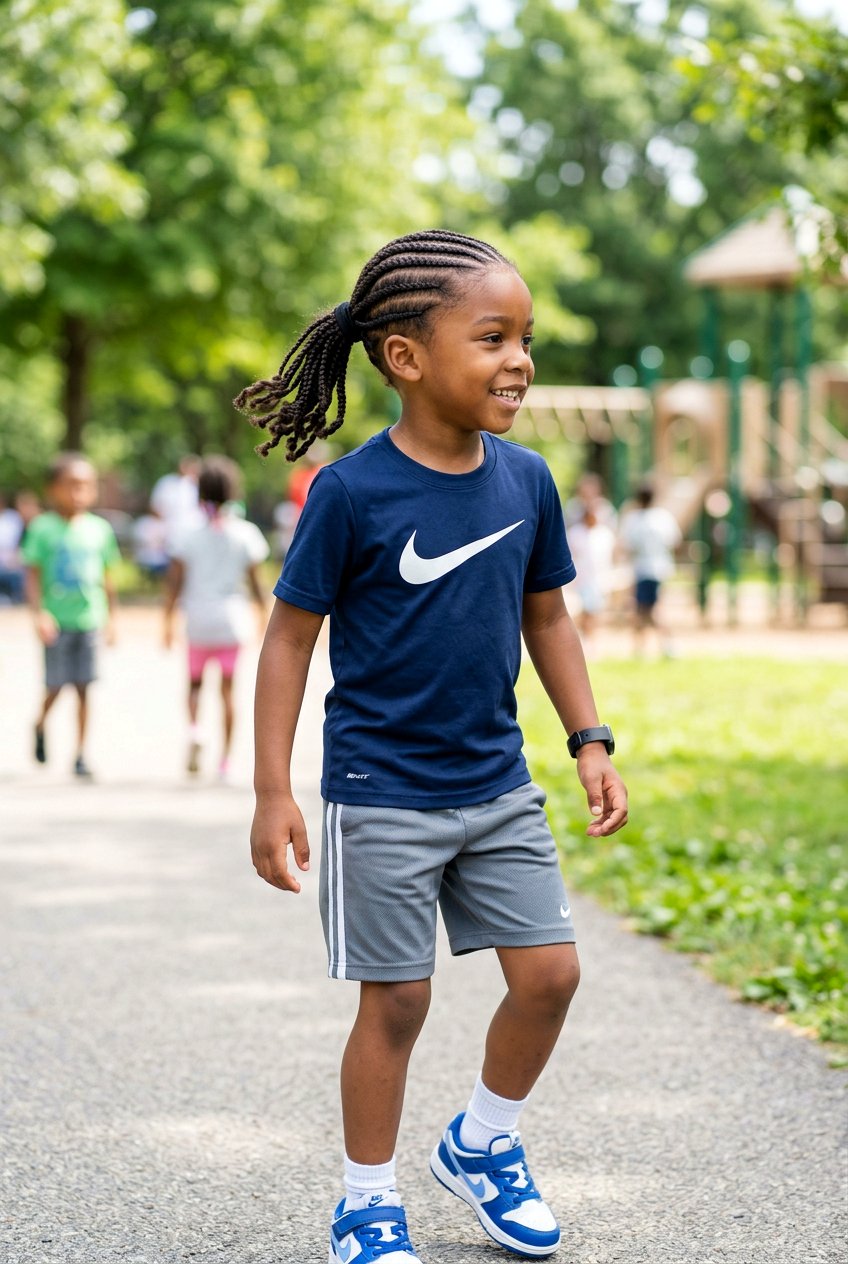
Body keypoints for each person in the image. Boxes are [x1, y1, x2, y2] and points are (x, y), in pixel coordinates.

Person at [236, 229, 628, 1264]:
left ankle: (483, 1141)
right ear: (404, 358)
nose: (519, 359)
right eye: (492, 336)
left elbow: (548, 618)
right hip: (380, 790)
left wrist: (586, 737)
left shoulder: (527, 480)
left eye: (525, 337)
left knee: (549, 975)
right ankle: (366, 1202)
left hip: (494, 780)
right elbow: (287, 640)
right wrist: (272, 789)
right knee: (397, 999)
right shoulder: (353, 494)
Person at [163, 455, 269, 782]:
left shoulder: (187, 533)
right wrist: (264, 618)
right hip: (232, 621)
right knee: (227, 691)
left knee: (194, 684)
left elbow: (174, 583)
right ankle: (225, 762)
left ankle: (195, 730)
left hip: (198, 618)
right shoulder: (245, 533)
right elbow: (257, 585)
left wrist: (166, 621)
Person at [22, 454, 119, 778]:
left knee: (83, 687)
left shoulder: (99, 529)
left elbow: (108, 577)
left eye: (86, 486)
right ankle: (39, 723)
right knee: (55, 686)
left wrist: (112, 619)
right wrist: (39, 614)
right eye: (71, 486)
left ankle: (80, 753)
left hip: (89, 619)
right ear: (53, 489)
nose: (79, 493)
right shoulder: (42, 528)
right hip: (57, 621)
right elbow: (33, 576)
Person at [620, 482, 681, 656]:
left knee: (647, 609)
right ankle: (647, 646)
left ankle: (655, 646)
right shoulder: (663, 517)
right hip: (661, 568)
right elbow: (675, 542)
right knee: (647, 608)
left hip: (642, 569)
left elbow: (627, 546)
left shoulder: (633, 519)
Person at [567, 503, 616, 642]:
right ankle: (586, 637)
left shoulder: (604, 534)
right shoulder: (575, 533)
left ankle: (589, 637)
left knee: (594, 610)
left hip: (599, 578)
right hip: (582, 578)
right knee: (587, 609)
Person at [150, 454, 204, 555]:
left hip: (191, 530)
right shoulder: (167, 482)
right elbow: (155, 507)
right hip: (168, 529)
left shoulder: (195, 486)